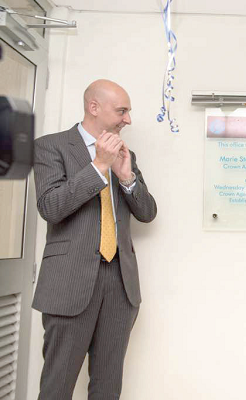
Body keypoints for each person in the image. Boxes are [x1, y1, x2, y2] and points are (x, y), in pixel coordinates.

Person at [33, 79, 157, 399]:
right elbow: (51, 207)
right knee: (57, 384)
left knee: (108, 385)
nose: (127, 119)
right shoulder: (51, 147)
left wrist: (127, 177)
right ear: (94, 108)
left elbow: (147, 213)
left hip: (120, 284)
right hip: (68, 283)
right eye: (122, 111)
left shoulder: (126, 154)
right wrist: (99, 165)